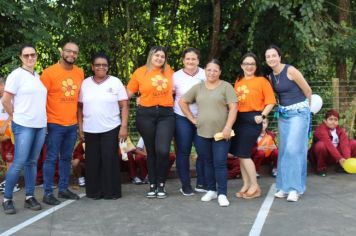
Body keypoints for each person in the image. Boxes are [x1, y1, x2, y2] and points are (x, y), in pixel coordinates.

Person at [179, 59, 237, 207]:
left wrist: (228, 127)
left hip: (221, 133)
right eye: (209, 70)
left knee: (220, 163)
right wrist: (192, 118)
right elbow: (182, 102)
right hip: (202, 133)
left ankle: (222, 193)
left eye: (215, 70)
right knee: (208, 162)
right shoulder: (198, 87)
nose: (212, 73)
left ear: (220, 72)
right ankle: (211, 190)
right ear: (205, 70)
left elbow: (234, 108)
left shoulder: (226, 87)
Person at [2, 44, 47, 214]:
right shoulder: (16, 75)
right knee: (19, 162)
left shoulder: (37, 76)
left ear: (36, 56)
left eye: (32, 55)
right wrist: (14, 117)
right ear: (21, 57)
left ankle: (29, 197)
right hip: (24, 125)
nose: (30, 58)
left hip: (40, 125)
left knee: (32, 162)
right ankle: (7, 199)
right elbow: (6, 100)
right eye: (26, 55)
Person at [78, 52, 128, 200]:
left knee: (110, 160)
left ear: (108, 67)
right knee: (92, 161)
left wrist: (123, 126)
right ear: (92, 67)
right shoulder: (85, 83)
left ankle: (111, 192)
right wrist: (80, 127)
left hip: (111, 128)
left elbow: (124, 106)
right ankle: (94, 192)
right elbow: (80, 107)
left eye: (104, 65)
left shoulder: (116, 82)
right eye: (98, 65)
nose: (101, 67)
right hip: (90, 128)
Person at [127, 46, 175, 199]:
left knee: (162, 150)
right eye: (157, 55)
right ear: (150, 56)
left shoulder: (169, 71)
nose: (159, 58)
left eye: (162, 56)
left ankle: (161, 183)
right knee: (151, 151)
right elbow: (127, 93)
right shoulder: (140, 72)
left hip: (165, 115)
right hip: (145, 115)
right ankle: (153, 184)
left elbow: (179, 88)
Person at [265, 45, 312, 202]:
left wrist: (307, 112)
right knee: (284, 151)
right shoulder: (271, 77)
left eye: (273, 55)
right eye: (268, 57)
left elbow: (308, 91)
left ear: (279, 57)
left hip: (299, 114)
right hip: (284, 116)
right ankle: (284, 187)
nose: (271, 58)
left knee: (294, 149)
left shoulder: (290, 70)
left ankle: (295, 189)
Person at [41, 42, 84, 205]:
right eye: (69, 51)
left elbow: (80, 100)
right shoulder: (49, 73)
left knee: (66, 158)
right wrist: (43, 122)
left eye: (75, 52)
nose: (72, 54)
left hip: (71, 124)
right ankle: (47, 192)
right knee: (51, 158)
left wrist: (80, 124)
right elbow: (41, 98)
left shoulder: (79, 72)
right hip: (53, 123)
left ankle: (63, 188)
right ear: (62, 52)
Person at [230, 53, 276, 200]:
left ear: (256, 66)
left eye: (252, 64)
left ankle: (255, 186)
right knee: (240, 154)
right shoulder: (238, 81)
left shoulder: (262, 81)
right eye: (246, 63)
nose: (249, 66)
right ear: (242, 65)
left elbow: (271, 101)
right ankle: (246, 184)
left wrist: (262, 116)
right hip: (239, 120)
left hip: (253, 119)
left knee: (244, 154)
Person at [173, 48, 206, 196]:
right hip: (181, 118)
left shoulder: (206, 74)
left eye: (193, 59)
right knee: (183, 151)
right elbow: (170, 96)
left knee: (203, 150)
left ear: (198, 60)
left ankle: (201, 182)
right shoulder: (175, 76)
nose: (190, 62)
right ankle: (185, 185)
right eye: (188, 59)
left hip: (202, 118)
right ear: (183, 60)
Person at [309, 109, 356, 176]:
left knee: (353, 143)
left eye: (335, 120)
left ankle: (341, 167)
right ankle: (321, 169)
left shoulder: (340, 130)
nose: (333, 122)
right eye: (330, 119)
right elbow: (329, 145)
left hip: (334, 157)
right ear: (325, 121)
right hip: (324, 156)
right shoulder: (321, 130)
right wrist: (339, 158)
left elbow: (344, 145)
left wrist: (346, 161)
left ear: (338, 122)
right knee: (321, 145)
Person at [0, 77, 20, 194]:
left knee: (10, 158)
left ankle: (13, 183)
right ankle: (9, 180)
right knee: (6, 157)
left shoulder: (9, 98)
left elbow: (14, 114)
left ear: (3, 85)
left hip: (9, 132)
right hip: (2, 134)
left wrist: (5, 126)